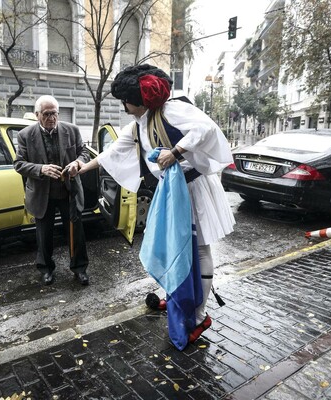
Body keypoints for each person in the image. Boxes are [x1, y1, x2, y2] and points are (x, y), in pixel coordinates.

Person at [78, 64, 235, 348]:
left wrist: (175, 152)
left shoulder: (171, 110)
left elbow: (206, 128)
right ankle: (177, 294)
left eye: (125, 100)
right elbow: (111, 153)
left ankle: (199, 316)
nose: (123, 106)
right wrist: (80, 168)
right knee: (173, 248)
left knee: (199, 250)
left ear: (137, 100)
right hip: (172, 193)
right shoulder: (139, 122)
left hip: (193, 188)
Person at [14, 95, 90, 286]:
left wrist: (77, 162)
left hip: (69, 191)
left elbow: (84, 152)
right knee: (44, 235)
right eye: (46, 114)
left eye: (54, 113)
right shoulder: (25, 135)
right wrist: (41, 169)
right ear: (37, 114)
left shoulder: (71, 130)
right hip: (42, 194)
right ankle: (46, 269)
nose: (51, 118)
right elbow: (19, 164)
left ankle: (80, 269)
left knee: (75, 233)